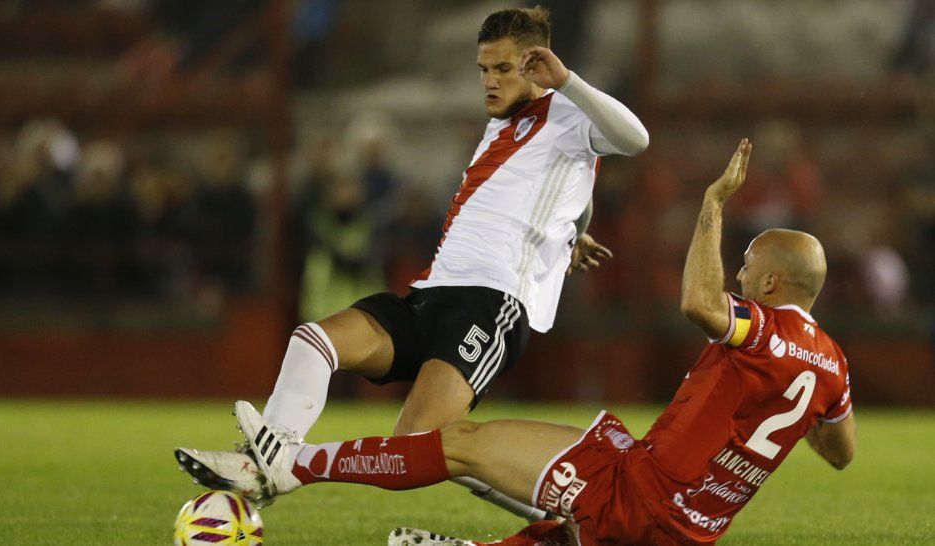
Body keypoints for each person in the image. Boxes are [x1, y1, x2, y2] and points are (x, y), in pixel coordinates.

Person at [177, 140, 856, 545]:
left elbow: (699, 304)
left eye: (746, 266)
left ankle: (286, 464)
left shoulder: (761, 326)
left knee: (459, 444)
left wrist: (712, 205)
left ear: (769, 281)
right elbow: (838, 452)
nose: (738, 271)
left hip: (639, 491)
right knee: (577, 513)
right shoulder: (832, 365)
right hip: (691, 530)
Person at [174, 6, 649, 519]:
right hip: (433, 294)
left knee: (418, 446)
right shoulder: (501, 128)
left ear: (537, 66)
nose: (489, 82)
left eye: (502, 69)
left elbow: (636, 140)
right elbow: (572, 190)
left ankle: (284, 464)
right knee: (315, 341)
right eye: (483, 70)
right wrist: (574, 233)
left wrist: (569, 82)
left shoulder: (569, 113)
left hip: (492, 306)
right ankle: (266, 460)